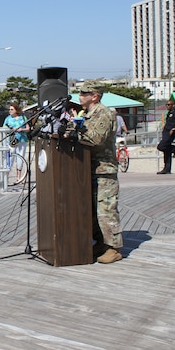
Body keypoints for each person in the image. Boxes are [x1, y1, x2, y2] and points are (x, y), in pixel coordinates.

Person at [68, 82, 123, 264]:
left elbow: (95, 139)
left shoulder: (103, 113)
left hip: (104, 170)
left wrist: (75, 131)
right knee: (92, 211)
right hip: (88, 169)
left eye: (84, 93)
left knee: (106, 210)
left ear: (95, 96)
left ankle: (113, 248)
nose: (80, 96)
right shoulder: (88, 114)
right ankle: (101, 242)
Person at [156, 99, 175, 174]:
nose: (167, 106)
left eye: (169, 105)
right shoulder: (169, 113)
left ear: (173, 105)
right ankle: (167, 168)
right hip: (165, 132)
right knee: (166, 151)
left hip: (171, 133)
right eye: (166, 104)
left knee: (160, 147)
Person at [3, 104, 30, 183]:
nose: (10, 111)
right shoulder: (8, 119)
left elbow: (28, 128)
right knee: (10, 158)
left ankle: (19, 177)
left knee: (20, 158)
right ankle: (7, 177)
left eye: (12, 109)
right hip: (12, 140)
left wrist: (22, 129)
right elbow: (4, 128)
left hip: (22, 140)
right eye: (9, 109)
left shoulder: (23, 118)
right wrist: (11, 129)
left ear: (16, 110)